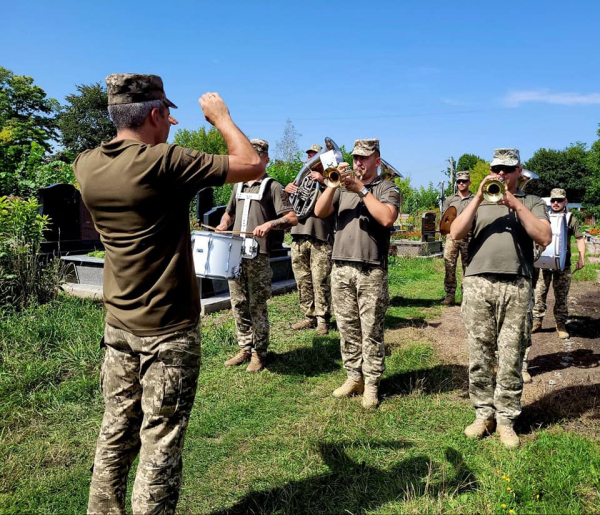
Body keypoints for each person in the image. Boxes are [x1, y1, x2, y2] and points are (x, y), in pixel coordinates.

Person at [73, 74, 264, 514]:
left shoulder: (86, 164)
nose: (171, 125)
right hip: (167, 331)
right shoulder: (162, 162)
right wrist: (221, 118)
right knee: (160, 439)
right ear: (156, 113)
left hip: (118, 325)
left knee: (116, 430)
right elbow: (252, 164)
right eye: (167, 115)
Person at [451, 148, 551, 449]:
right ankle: (483, 415)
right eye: (497, 169)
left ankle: (506, 420)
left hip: (517, 285)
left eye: (508, 169)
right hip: (479, 283)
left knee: (510, 357)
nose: (501, 174)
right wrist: (479, 197)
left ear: (519, 171)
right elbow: (456, 232)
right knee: (480, 355)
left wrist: (514, 204)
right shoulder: (475, 201)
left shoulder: (531, 202)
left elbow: (544, 237)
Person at [314, 139, 400, 409]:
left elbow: (386, 218)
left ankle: (372, 383)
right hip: (340, 267)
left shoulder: (387, 188)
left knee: (371, 330)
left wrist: (362, 190)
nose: (359, 163)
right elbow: (319, 212)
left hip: (370, 269)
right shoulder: (341, 186)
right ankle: (354, 377)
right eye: (355, 158)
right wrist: (332, 184)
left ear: (377, 159)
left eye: (364, 158)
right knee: (347, 327)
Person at [217, 139, 298, 372]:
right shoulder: (239, 185)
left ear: (266, 159)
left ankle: (259, 353)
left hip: (258, 255)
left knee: (257, 305)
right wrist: (224, 224)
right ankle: (244, 347)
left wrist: (270, 224)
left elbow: (291, 218)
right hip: (235, 253)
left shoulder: (273, 186)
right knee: (238, 303)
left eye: (258, 155)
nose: (254, 159)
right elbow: (228, 213)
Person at [284, 144, 334, 335]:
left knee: (320, 280)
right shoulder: (300, 180)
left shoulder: (331, 180)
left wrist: (323, 182)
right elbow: (289, 209)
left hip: (320, 237)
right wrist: (287, 192)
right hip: (298, 235)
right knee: (302, 279)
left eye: (315, 157)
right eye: (310, 157)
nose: (311, 160)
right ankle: (309, 316)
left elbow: (335, 201)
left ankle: (323, 319)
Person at [531, 188, 586, 339]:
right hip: (543, 263)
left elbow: (580, 238)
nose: (555, 203)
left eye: (559, 200)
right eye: (553, 200)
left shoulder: (570, 219)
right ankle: (536, 321)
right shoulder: (543, 217)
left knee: (561, 295)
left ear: (565, 201)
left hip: (563, 264)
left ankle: (561, 324)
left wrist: (582, 257)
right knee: (539, 293)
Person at [441, 170, 474, 305]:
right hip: (452, 237)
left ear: (469, 182)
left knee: (469, 267)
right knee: (449, 265)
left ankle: (467, 295)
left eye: (464, 181)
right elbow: (445, 218)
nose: (461, 183)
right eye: (459, 181)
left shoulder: (474, 199)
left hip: (469, 237)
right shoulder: (450, 200)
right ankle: (450, 295)